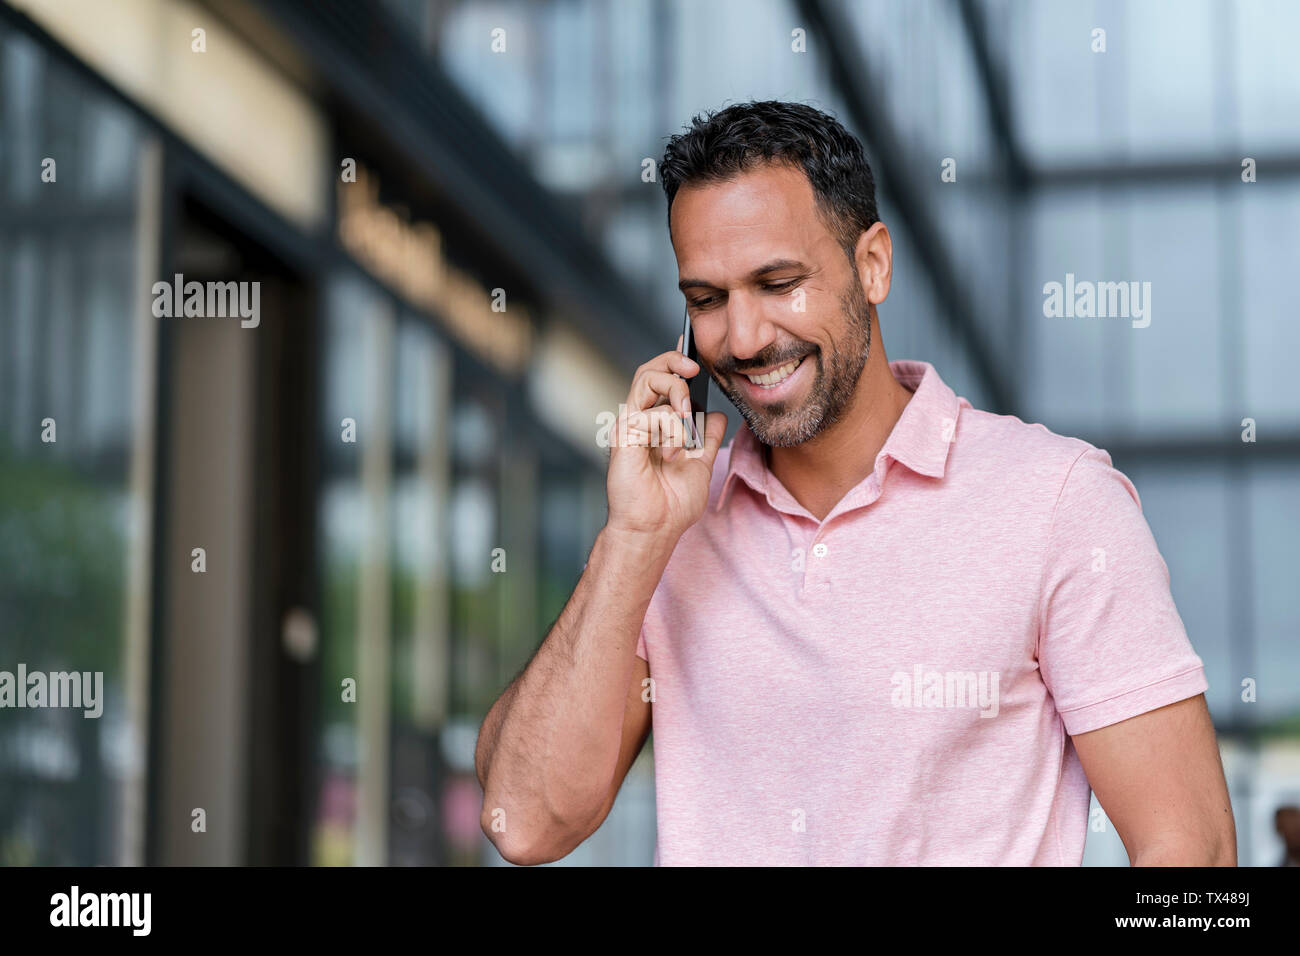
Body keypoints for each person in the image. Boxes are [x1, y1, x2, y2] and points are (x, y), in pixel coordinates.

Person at [475, 100, 1236, 866]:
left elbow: (1192, 855)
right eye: (707, 300)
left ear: (872, 265)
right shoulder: (668, 531)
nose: (742, 338)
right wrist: (633, 538)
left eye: (779, 283)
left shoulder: (1059, 502)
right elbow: (526, 821)